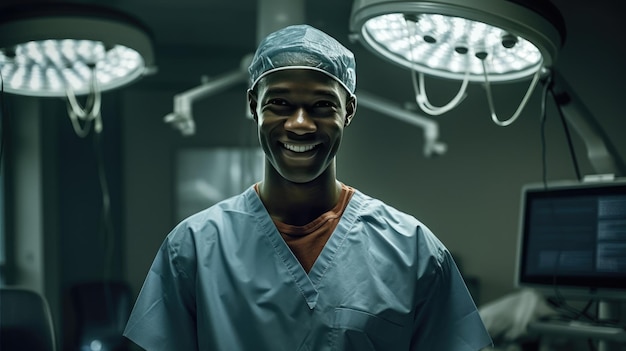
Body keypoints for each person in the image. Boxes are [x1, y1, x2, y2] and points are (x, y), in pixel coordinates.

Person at [123, 24, 492, 351]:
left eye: (321, 105)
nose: (300, 124)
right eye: (280, 103)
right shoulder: (192, 249)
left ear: (348, 110)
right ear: (254, 106)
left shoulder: (413, 252)